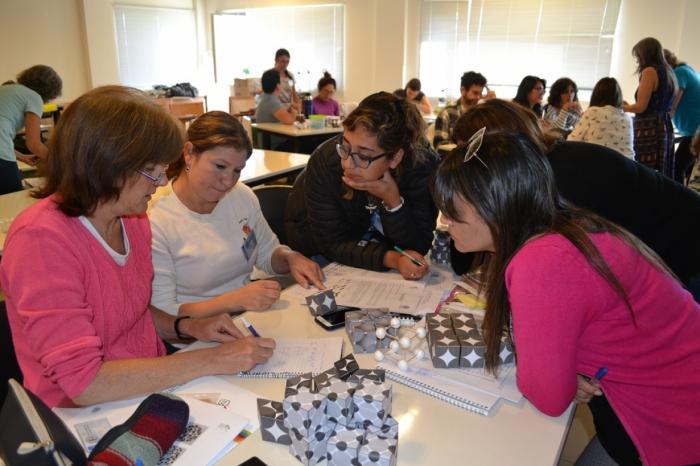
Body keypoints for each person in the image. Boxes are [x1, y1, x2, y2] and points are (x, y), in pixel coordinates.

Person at [433, 130, 700, 466]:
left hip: (675, 419)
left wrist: (556, 374)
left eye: (452, 209)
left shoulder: (542, 262)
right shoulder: (563, 226)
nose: (445, 221)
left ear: (493, 206)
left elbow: (549, 397)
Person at [0, 86, 275, 408]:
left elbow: (132, 312)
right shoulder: (42, 240)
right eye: (151, 170)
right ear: (106, 164)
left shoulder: (132, 219)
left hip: (148, 385)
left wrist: (185, 327)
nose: (161, 182)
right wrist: (211, 360)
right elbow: (84, 383)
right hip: (82, 412)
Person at [450, 99, 700, 302]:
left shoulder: (561, 178)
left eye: (470, 155)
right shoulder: (546, 167)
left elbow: (563, 274)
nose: (466, 170)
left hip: (685, 253)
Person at [149, 111, 324, 318]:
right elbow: (163, 313)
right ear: (189, 153)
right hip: (194, 337)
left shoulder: (240, 196)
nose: (228, 181)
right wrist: (234, 301)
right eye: (220, 166)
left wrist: (290, 257)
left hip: (246, 317)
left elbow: (267, 253)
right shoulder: (157, 218)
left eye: (237, 170)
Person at [285, 92, 439, 280]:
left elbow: (417, 247)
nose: (348, 163)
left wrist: (393, 201)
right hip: (318, 252)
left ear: (395, 158)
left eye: (364, 156)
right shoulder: (326, 162)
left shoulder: (421, 166)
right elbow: (331, 243)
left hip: (372, 252)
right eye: (345, 146)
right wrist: (392, 259)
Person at [0, 65, 62, 195]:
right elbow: (33, 144)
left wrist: (22, 157)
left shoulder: (5, 89)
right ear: (51, 90)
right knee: (12, 199)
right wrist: (60, 161)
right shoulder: (33, 97)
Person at [622, 37, 677, 178]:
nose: (638, 61)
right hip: (664, 126)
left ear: (645, 54)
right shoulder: (669, 72)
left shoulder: (649, 72)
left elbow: (641, 107)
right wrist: (630, 107)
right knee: (660, 174)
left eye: (638, 57)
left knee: (644, 172)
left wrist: (621, 107)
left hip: (649, 129)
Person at [569, 77, 634, 158]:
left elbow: (571, 141)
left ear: (596, 95)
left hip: (599, 166)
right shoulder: (628, 119)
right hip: (629, 168)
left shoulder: (593, 111)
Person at [664, 49, 700, 184]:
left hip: (695, 131)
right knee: (686, 171)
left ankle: (678, 202)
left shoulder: (680, 73)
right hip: (694, 130)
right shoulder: (688, 71)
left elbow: (672, 105)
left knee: (676, 166)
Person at [433, 71, 492, 147]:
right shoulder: (447, 113)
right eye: (475, 93)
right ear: (462, 90)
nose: (478, 97)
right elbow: (440, 145)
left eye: (480, 93)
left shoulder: (482, 114)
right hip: (455, 157)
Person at [273, 48, 301, 112]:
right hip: (275, 108)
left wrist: (299, 106)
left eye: (287, 62)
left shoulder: (290, 76)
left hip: (289, 108)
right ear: (276, 60)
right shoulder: (270, 75)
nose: (285, 64)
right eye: (282, 61)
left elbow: (294, 93)